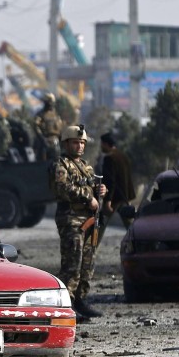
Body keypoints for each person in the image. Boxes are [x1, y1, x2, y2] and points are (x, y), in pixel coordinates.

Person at [50, 124, 106, 319]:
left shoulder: (86, 166)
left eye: (82, 143)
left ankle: (81, 299)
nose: (80, 146)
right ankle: (67, 304)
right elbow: (62, 188)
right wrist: (86, 197)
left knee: (87, 263)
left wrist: (100, 193)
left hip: (90, 220)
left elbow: (92, 190)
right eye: (75, 142)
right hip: (71, 219)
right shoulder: (61, 165)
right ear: (66, 144)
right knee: (72, 263)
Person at [97, 132, 137, 247]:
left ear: (106, 144)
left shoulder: (109, 159)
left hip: (114, 198)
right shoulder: (123, 156)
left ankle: (91, 248)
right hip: (125, 197)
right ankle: (138, 245)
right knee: (130, 225)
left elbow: (110, 181)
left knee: (101, 223)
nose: (101, 146)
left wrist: (108, 201)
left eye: (102, 144)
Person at [35, 92, 63, 160]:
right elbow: (36, 126)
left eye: (51, 102)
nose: (51, 104)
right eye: (49, 102)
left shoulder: (56, 115)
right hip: (44, 142)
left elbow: (60, 128)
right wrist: (42, 138)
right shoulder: (40, 114)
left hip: (55, 141)